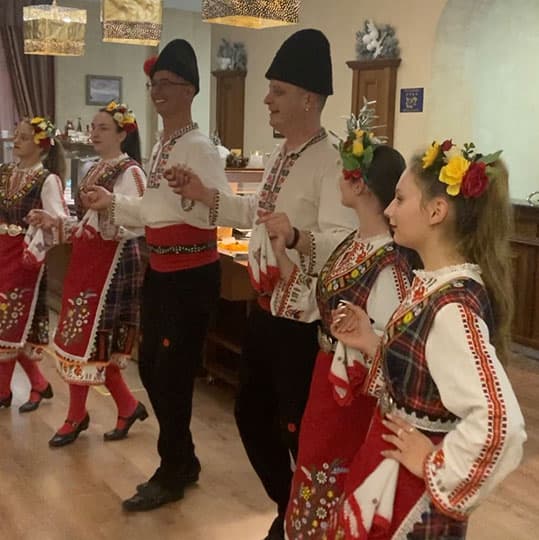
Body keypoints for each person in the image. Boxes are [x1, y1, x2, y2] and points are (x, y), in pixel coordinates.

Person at [167, 29, 356, 540]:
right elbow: (254, 212)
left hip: (303, 323)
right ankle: (290, 504)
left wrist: (296, 235)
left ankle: (307, 518)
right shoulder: (279, 155)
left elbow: (344, 239)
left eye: (277, 90)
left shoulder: (332, 159)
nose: (267, 99)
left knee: (295, 425)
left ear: (308, 98)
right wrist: (205, 193)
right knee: (251, 416)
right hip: (265, 310)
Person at [328, 140, 526, 539]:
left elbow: (500, 423)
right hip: (393, 469)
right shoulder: (436, 289)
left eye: (400, 199)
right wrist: (372, 341)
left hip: (412, 494)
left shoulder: (452, 307)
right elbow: (424, 380)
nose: (388, 210)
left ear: (437, 211)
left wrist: (435, 463)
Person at [84, 39, 232, 512]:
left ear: (190, 89)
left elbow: (218, 210)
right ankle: (182, 459)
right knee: (152, 367)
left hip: (190, 274)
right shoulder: (165, 143)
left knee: (170, 374)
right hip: (163, 270)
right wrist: (114, 204)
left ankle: (173, 468)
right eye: (154, 84)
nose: (157, 91)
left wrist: (193, 196)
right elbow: (152, 209)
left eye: (167, 83)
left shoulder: (200, 147)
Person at [265, 116, 415, 539]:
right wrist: (282, 253)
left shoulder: (390, 263)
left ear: (360, 184)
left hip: (353, 397)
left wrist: (362, 344)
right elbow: (315, 302)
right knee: (312, 472)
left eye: (346, 171)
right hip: (326, 378)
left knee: (334, 479)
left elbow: (390, 350)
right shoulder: (354, 243)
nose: (339, 178)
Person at [27, 102, 147, 447]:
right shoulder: (93, 169)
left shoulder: (131, 172)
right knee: (84, 338)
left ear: (123, 133)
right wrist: (54, 223)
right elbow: (86, 224)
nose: (94, 133)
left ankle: (76, 415)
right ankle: (127, 405)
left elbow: (135, 222)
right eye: (93, 127)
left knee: (87, 338)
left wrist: (106, 213)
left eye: (103, 128)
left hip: (112, 264)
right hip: (88, 260)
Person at [0, 117, 67, 413]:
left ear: (40, 145)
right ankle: (39, 383)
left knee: (8, 320)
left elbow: (59, 221)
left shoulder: (47, 179)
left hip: (23, 257)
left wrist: (43, 222)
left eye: (24, 137)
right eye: (17, 136)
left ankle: (2, 391)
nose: (16, 141)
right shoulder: (4, 173)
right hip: (0, 251)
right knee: (11, 323)